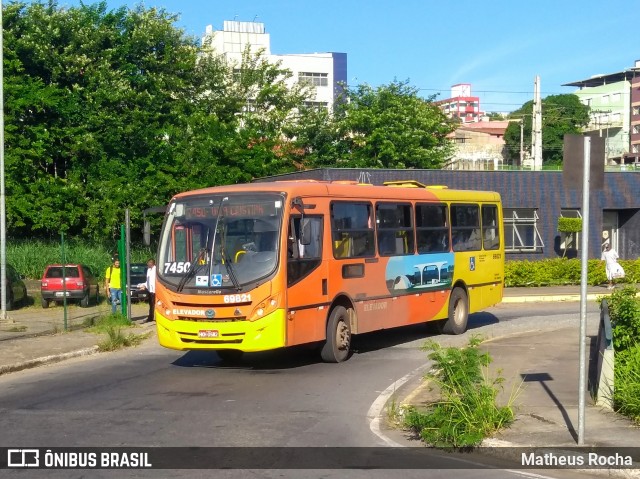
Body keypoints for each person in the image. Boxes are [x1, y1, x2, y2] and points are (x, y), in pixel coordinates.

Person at [138, 258, 156, 323]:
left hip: (155, 290)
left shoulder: (156, 270)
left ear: (152, 263)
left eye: (149, 263)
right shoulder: (148, 270)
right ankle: (150, 317)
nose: (148, 264)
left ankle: (155, 317)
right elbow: (148, 281)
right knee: (151, 304)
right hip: (150, 290)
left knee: (155, 304)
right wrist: (144, 285)